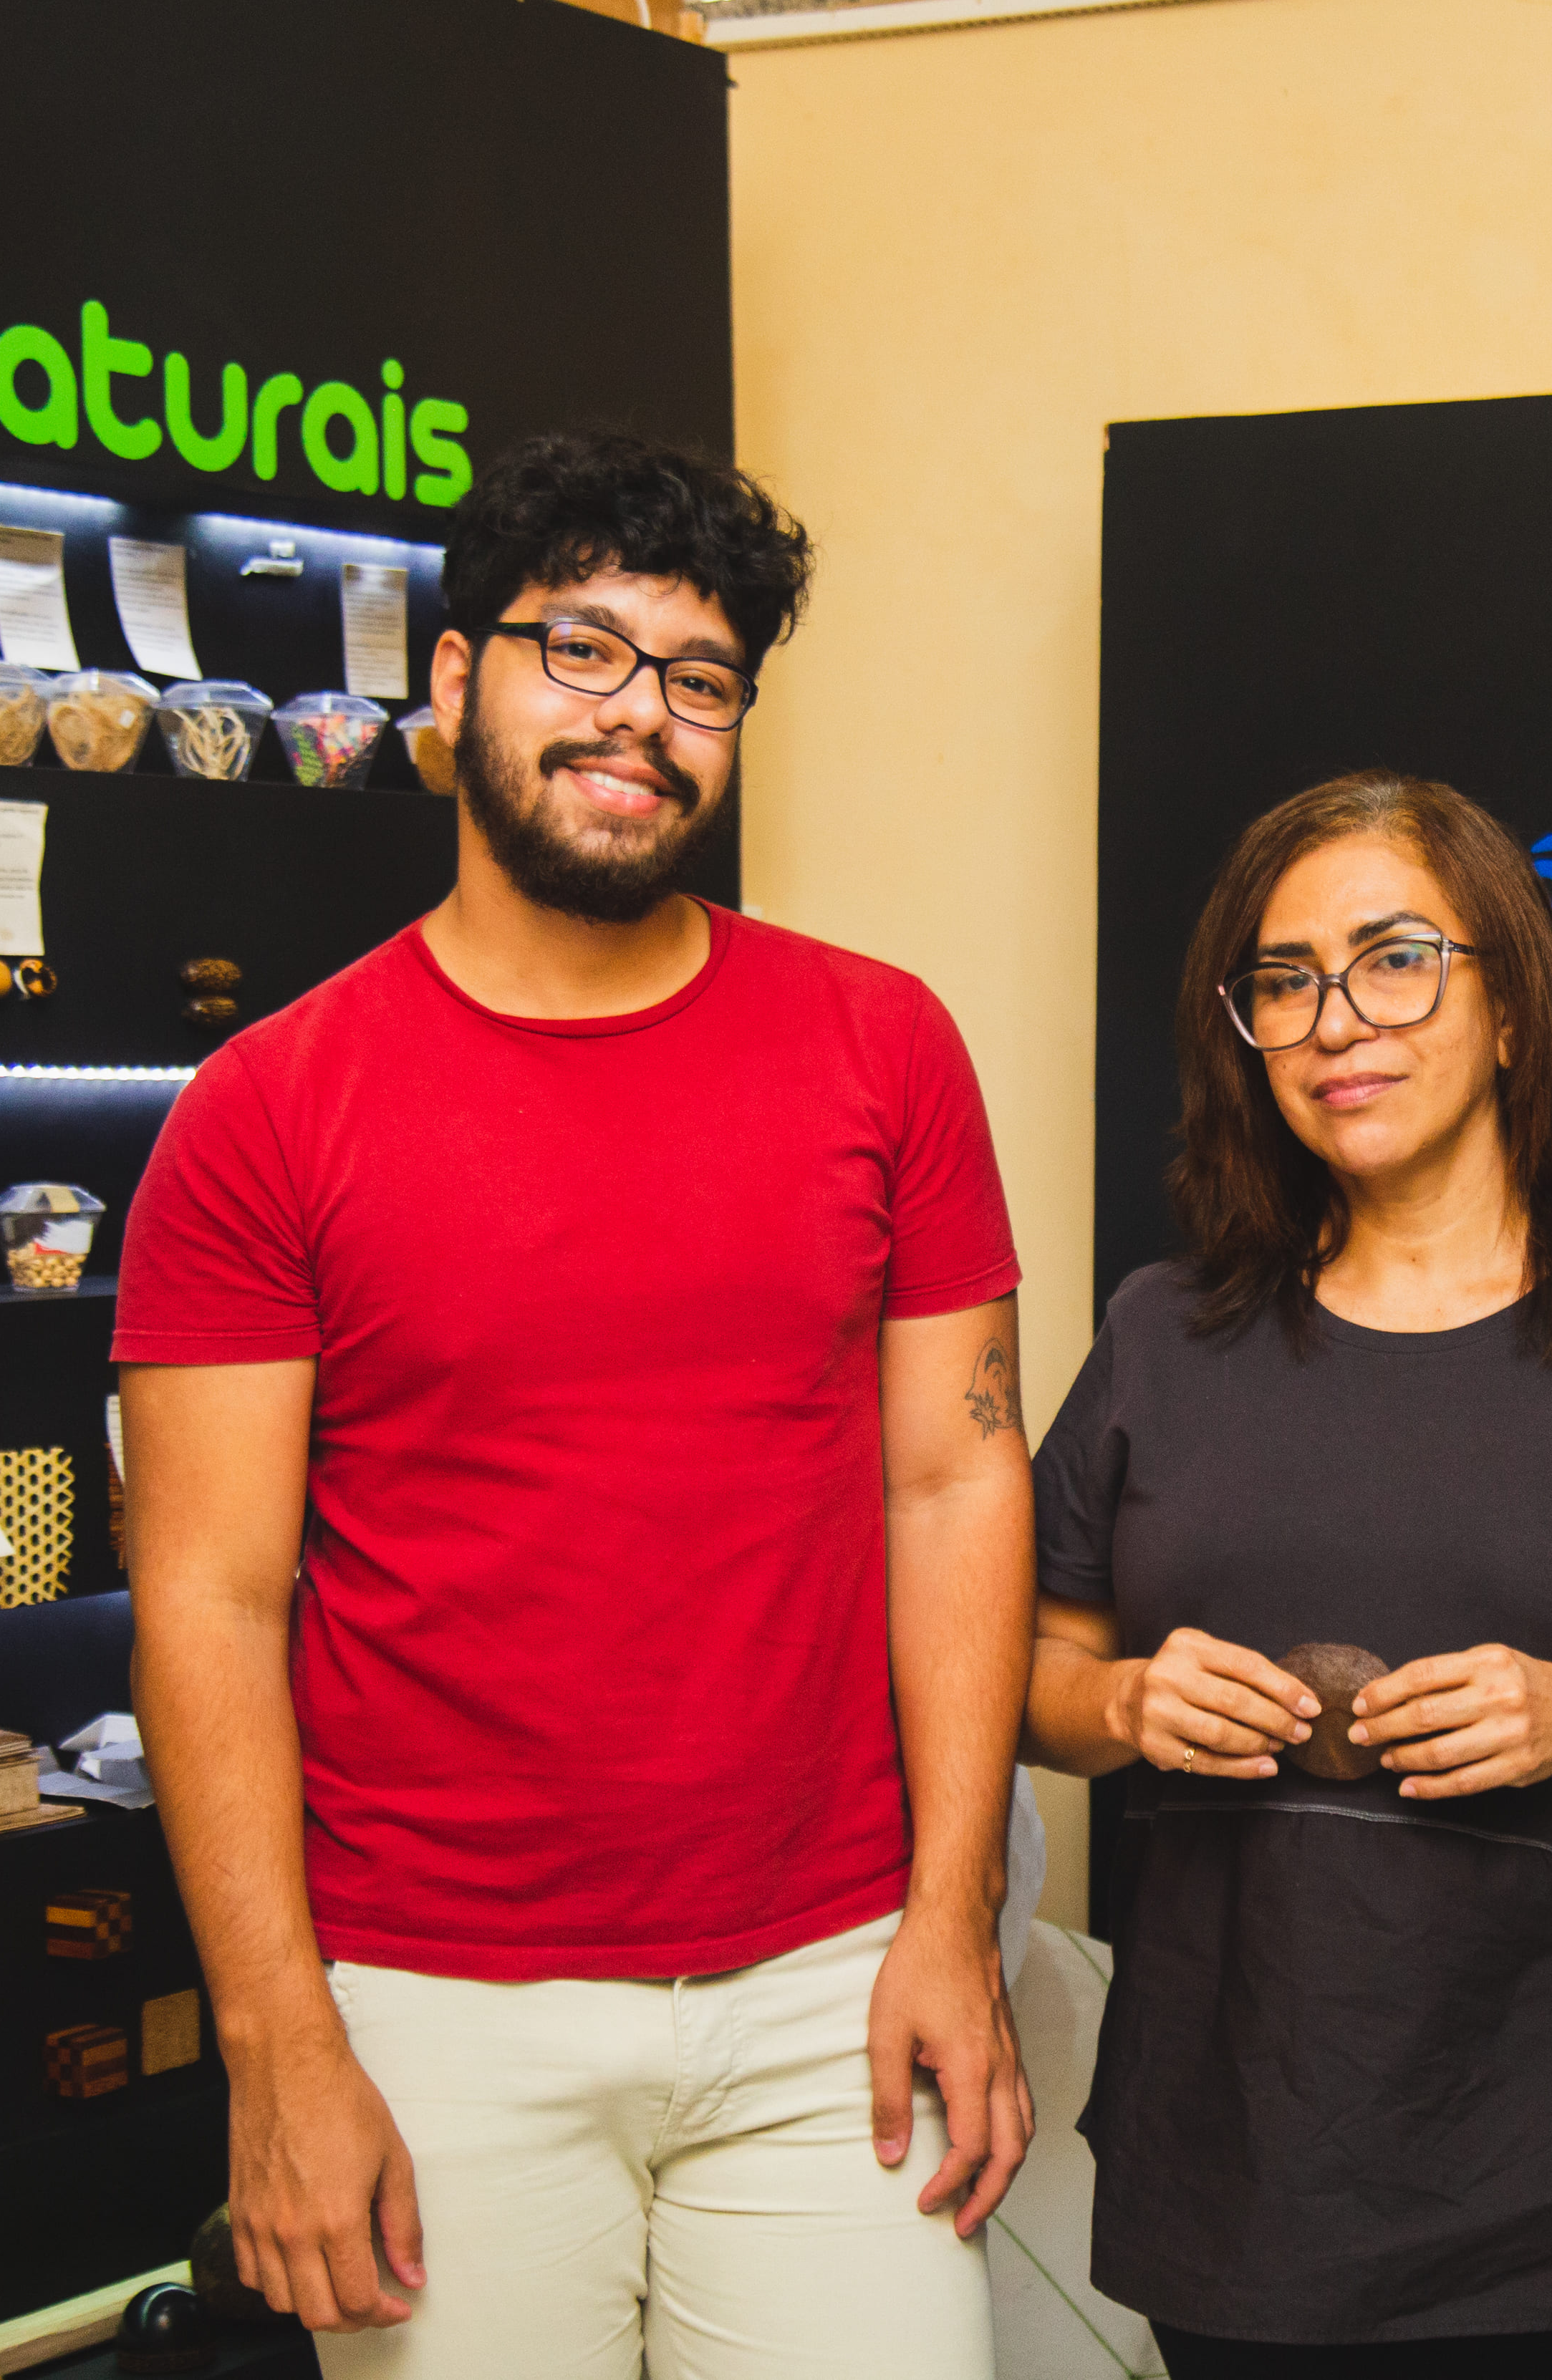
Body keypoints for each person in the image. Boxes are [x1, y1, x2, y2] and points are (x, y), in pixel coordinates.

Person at [118, 431, 1036, 2379]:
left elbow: (956, 1478)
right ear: (456, 682)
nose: (643, 720)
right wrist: (283, 2046)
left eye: (700, 680)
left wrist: (949, 1914)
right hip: (435, 2005)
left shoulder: (885, 1046)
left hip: (823, 1987)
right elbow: (209, 1593)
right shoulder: (266, 1112)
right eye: (585, 650)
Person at [1021, 771, 1552, 2375]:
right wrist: (1123, 1696)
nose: (1337, 1020)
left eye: (1395, 958)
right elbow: (1034, 1689)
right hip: (1237, 2156)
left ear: (1513, 1007)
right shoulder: (1157, 1335)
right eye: (1284, 981)